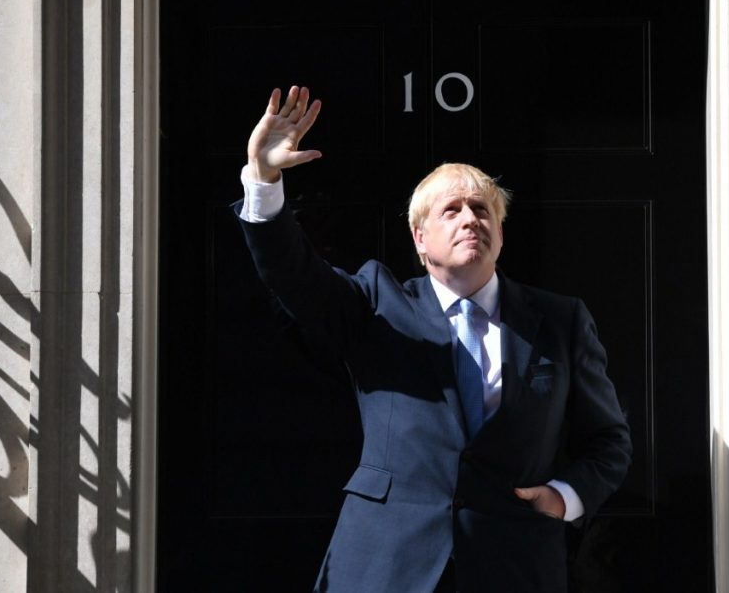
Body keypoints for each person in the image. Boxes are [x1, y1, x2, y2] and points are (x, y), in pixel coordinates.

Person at [235, 85, 632, 593]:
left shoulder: (560, 321)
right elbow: (294, 276)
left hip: (512, 564)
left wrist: (565, 496)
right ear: (420, 239)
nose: (471, 218)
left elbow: (610, 442)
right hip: (386, 562)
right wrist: (264, 179)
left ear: (501, 234)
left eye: (482, 210)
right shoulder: (377, 303)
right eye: (452, 210)